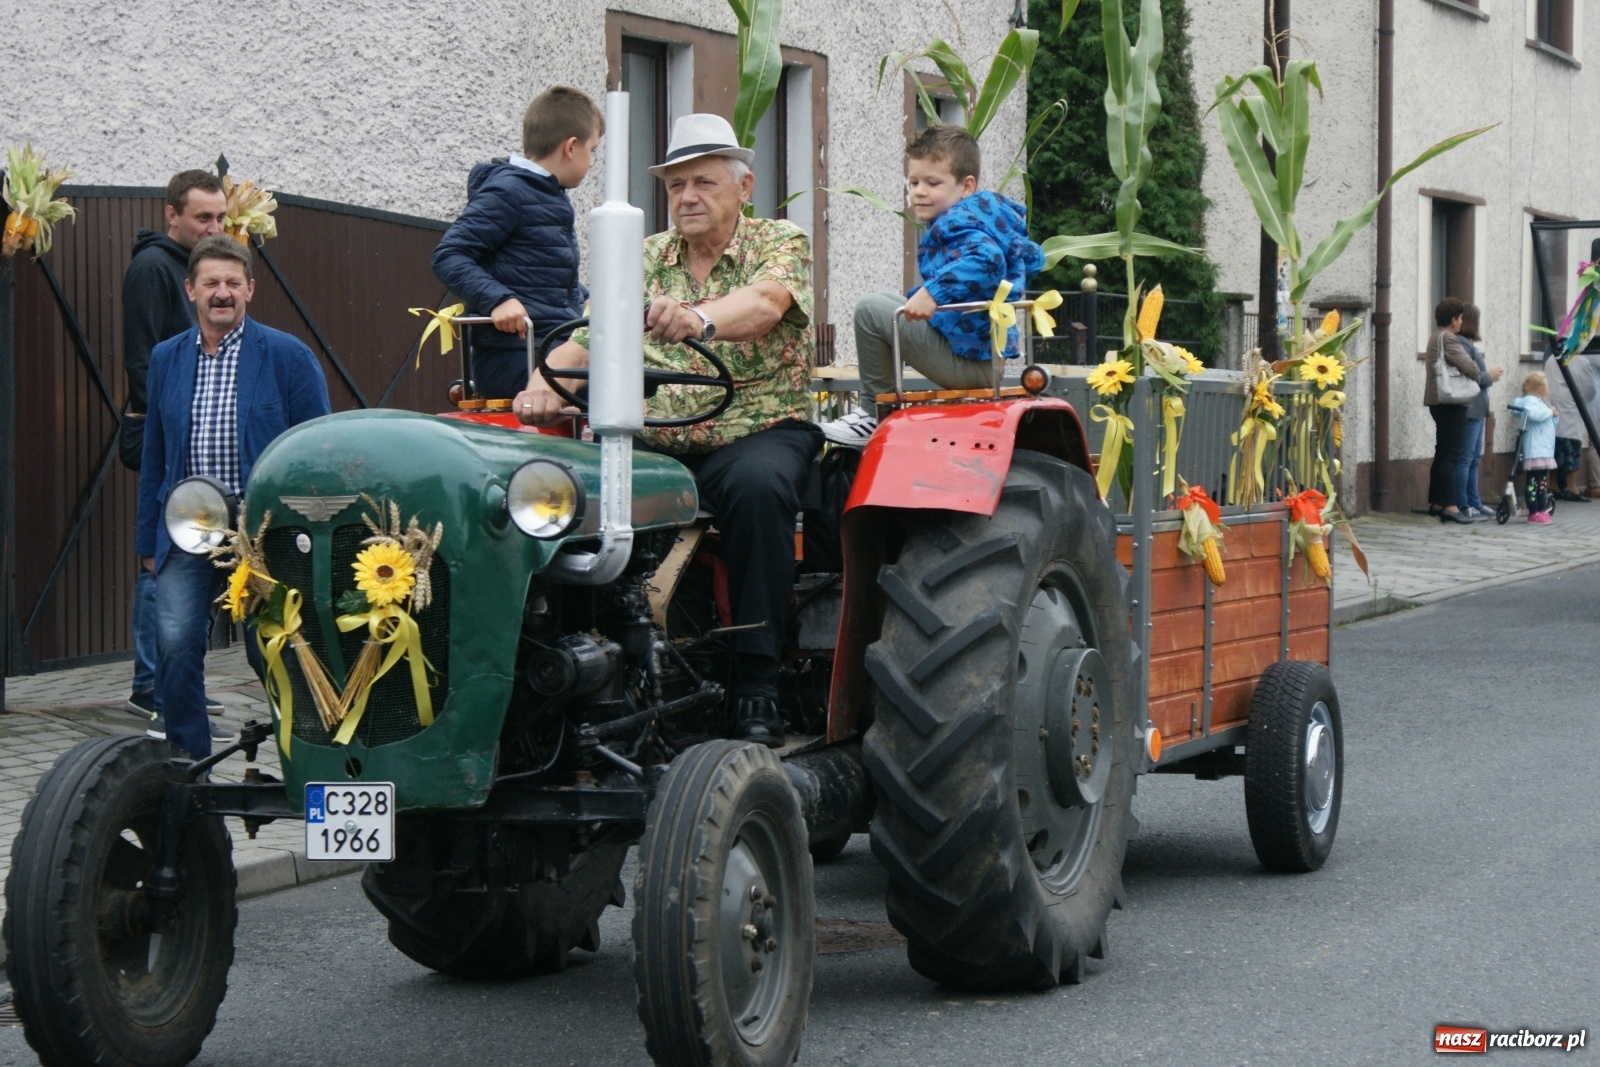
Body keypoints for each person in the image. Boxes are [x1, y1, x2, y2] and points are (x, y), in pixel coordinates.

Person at [514, 113, 818, 747]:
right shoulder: (647, 255)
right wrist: (546, 382)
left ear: (744, 188)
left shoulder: (779, 242)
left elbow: (765, 305)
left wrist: (698, 320)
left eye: (703, 183)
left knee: (759, 491)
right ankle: (584, 670)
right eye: (676, 186)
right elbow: (589, 334)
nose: (687, 198)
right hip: (659, 439)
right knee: (563, 491)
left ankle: (758, 684)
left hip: (755, 428)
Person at [137, 236, 331, 758]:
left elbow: (320, 451)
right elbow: (155, 453)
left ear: (250, 288)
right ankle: (189, 766)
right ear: (191, 290)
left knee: (269, 651)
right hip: (189, 529)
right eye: (210, 284)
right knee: (175, 651)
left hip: (263, 534)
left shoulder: (289, 356)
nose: (221, 293)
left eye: (231, 283)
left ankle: (305, 754)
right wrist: (147, 541)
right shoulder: (166, 359)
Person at [820, 124, 1045, 445]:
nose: (919, 191)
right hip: (984, 359)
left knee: (871, 310)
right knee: (887, 301)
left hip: (968, 362)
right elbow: (1031, 260)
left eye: (932, 182)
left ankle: (872, 414)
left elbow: (990, 260)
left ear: (966, 186)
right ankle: (874, 410)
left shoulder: (959, 222)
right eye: (913, 182)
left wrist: (933, 292)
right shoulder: (984, 220)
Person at [122, 170, 228, 721]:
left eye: (221, 218)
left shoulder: (196, 271)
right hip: (166, 433)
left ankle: (177, 681)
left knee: (194, 562)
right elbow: (142, 357)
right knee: (159, 562)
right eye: (202, 218)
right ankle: (148, 682)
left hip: (198, 438)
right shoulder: (151, 268)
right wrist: (172, 420)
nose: (213, 227)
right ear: (173, 216)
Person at [431, 85, 603, 400]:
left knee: (634, 371)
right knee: (623, 387)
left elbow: (546, 284)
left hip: (549, 344)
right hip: (516, 356)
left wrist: (592, 301)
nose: (592, 162)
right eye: (593, 150)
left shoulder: (545, 195)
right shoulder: (510, 193)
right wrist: (498, 299)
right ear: (571, 147)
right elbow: (449, 254)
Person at [1424, 296, 1499, 524]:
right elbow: (1470, 366)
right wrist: (1484, 373)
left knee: (1442, 453)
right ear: (1454, 319)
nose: (1460, 323)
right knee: (1451, 456)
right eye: (1459, 318)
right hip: (1452, 402)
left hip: (1438, 402)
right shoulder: (1449, 338)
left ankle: (1437, 503)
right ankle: (1450, 505)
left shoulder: (1435, 337)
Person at [1454, 305, 1494, 519]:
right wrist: (1491, 376)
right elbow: (1476, 375)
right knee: (1466, 458)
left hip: (1477, 409)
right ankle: (1463, 503)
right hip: (1469, 408)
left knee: (1474, 458)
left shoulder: (1468, 344)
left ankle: (1474, 501)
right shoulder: (1462, 344)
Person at [1543, 352, 1595, 504]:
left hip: (1553, 406)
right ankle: (1572, 487)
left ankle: (1553, 486)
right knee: (1572, 449)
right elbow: (1589, 389)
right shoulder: (1579, 360)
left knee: (1555, 448)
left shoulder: (1552, 358)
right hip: (1572, 408)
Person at [1509, 371, 1558, 524]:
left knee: (1542, 481)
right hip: (1536, 449)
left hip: (1544, 449)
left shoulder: (1540, 402)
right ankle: (1534, 510)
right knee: (1534, 481)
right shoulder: (1530, 401)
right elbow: (1534, 415)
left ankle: (1541, 508)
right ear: (1540, 389)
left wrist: (1554, 416)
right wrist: (1550, 412)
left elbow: (1549, 422)